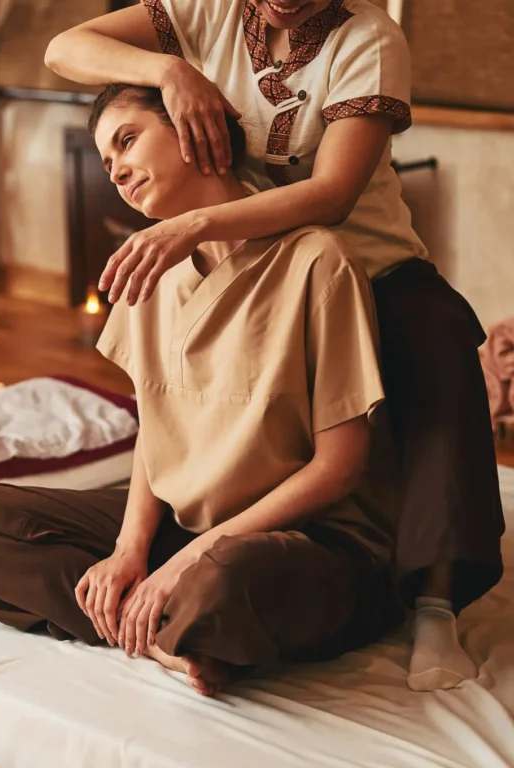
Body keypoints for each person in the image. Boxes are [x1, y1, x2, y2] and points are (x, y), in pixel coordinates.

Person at [44, 0, 504, 692]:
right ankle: (152, 601)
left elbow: (332, 194)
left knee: (440, 336)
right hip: (251, 259)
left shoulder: (369, 40)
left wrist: (192, 226)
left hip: (364, 263)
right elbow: (64, 49)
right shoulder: (204, 14)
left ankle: (434, 603)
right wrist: (167, 71)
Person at [0, 84, 403, 698]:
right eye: (107, 163)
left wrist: (186, 563)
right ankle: (171, 636)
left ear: (198, 130)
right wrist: (130, 552)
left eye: (128, 141)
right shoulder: (150, 275)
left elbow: (340, 468)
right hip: (188, 526)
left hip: (305, 540)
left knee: (230, 581)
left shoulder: (316, 259)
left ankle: (176, 619)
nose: (117, 171)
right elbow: (156, 432)